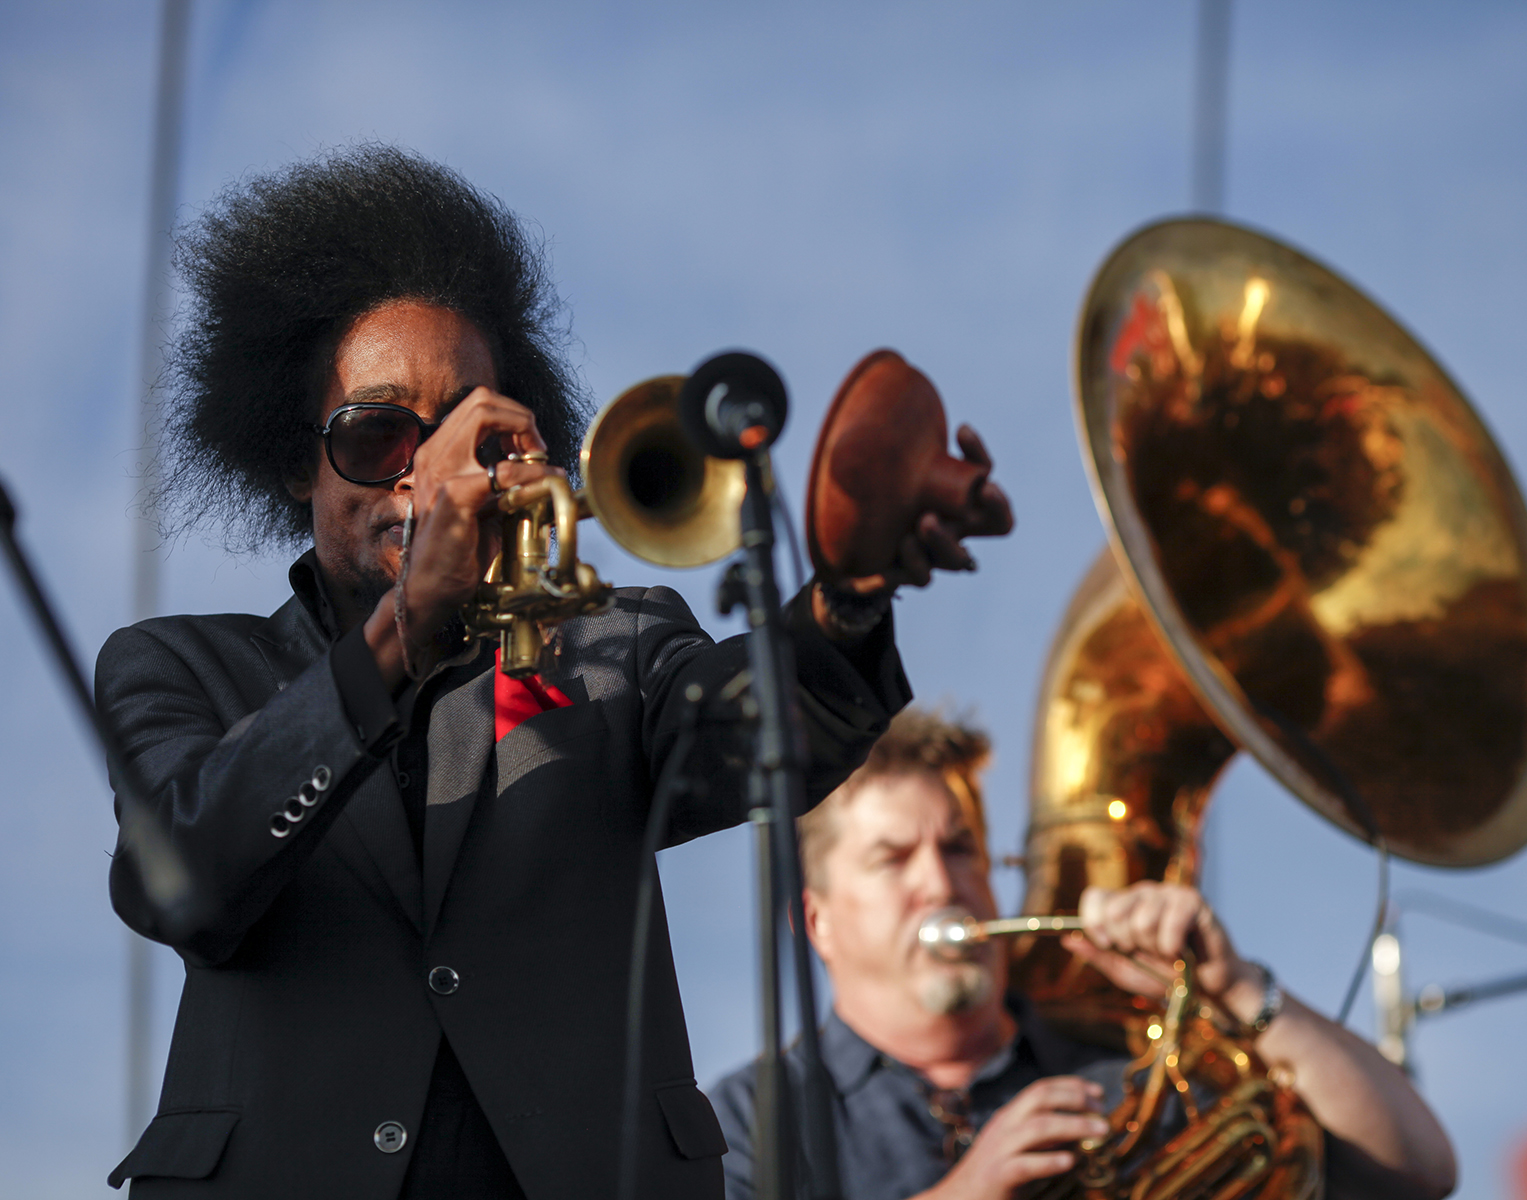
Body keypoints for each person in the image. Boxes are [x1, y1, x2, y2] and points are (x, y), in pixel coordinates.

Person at [95, 147, 1010, 1198]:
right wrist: (405, 630)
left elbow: (766, 736)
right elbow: (180, 885)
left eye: (463, 435)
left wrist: (848, 593)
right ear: (296, 461)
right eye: (379, 433)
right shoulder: (180, 667)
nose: (429, 473)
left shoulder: (615, 643)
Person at [710, 708, 1458, 1200]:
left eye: (961, 849)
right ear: (817, 921)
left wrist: (1235, 989)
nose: (941, 884)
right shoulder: (745, 1122)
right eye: (892, 859)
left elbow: (1418, 1170)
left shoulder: (1133, 1071)